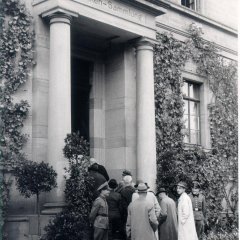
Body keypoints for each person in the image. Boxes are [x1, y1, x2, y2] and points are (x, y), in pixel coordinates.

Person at [120, 175, 135, 239]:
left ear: (124, 182)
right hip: (134, 212)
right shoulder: (134, 190)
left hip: (125, 213)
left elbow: (122, 205)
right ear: (131, 181)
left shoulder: (122, 191)